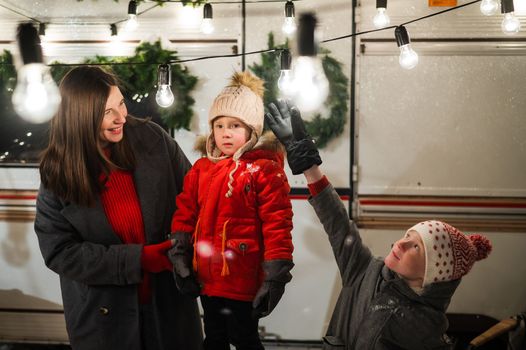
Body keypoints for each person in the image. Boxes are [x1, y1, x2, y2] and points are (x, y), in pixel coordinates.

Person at [265, 100, 493, 350]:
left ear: (432, 274)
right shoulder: (364, 271)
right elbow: (336, 220)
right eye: (408, 235)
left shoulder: (425, 330)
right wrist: (306, 161)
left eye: (415, 247)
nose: (400, 243)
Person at [34, 66, 203, 350]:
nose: (120, 117)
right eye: (106, 112)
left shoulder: (152, 138)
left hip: (169, 308)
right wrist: (137, 260)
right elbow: (60, 252)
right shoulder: (58, 172)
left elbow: (195, 196)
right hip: (103, 318)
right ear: (80, 116)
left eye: (121, 103)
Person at [168, 71, 294, 350]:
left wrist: (275, 272)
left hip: (242, 277)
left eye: (236, 125)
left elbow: (277, 224)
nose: (225, 132)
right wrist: (179, 249)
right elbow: (185, 212)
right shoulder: (201, 169)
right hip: (207, 276)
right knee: (213, 337)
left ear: (252, 131)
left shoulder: (263, 170)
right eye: (220, 125)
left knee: (244, 337)